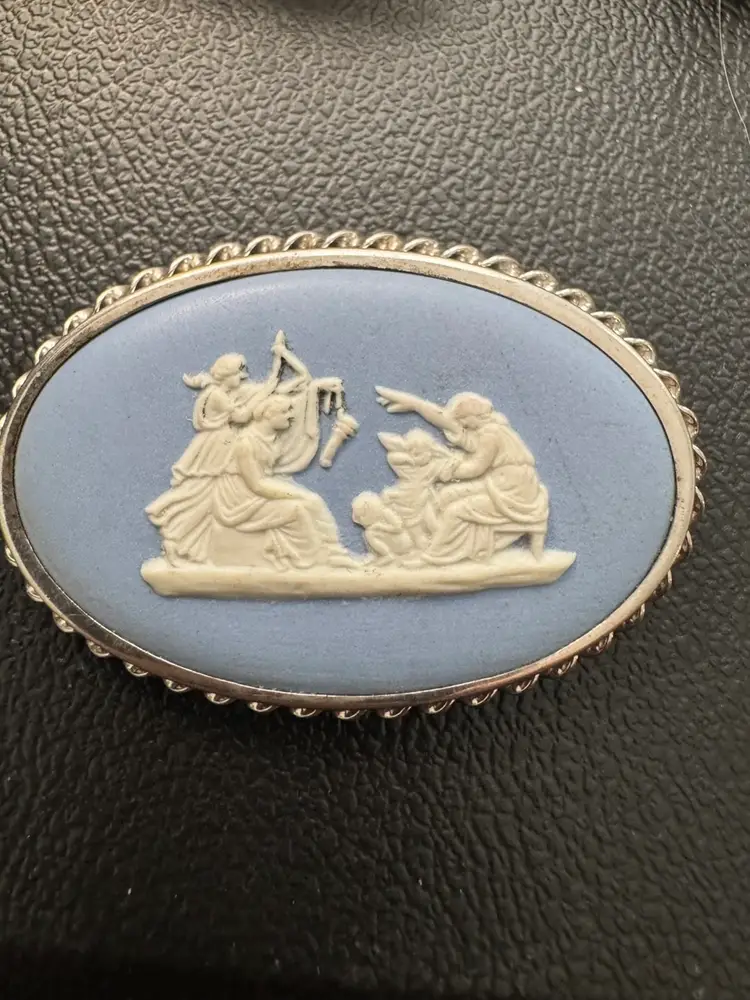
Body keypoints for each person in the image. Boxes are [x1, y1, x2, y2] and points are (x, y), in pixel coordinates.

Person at [375, 387, 549, 564]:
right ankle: (437, 543)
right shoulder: (490, 431)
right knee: (445, 495)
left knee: (455, 511)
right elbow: (452, 426)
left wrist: (444, 471)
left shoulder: (491, 434)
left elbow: (475, 468)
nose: (462, 424)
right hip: (502, 485)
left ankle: (433, 557)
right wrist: (417, 405)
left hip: (512, 493)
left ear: (474, 416)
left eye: (464, 420)